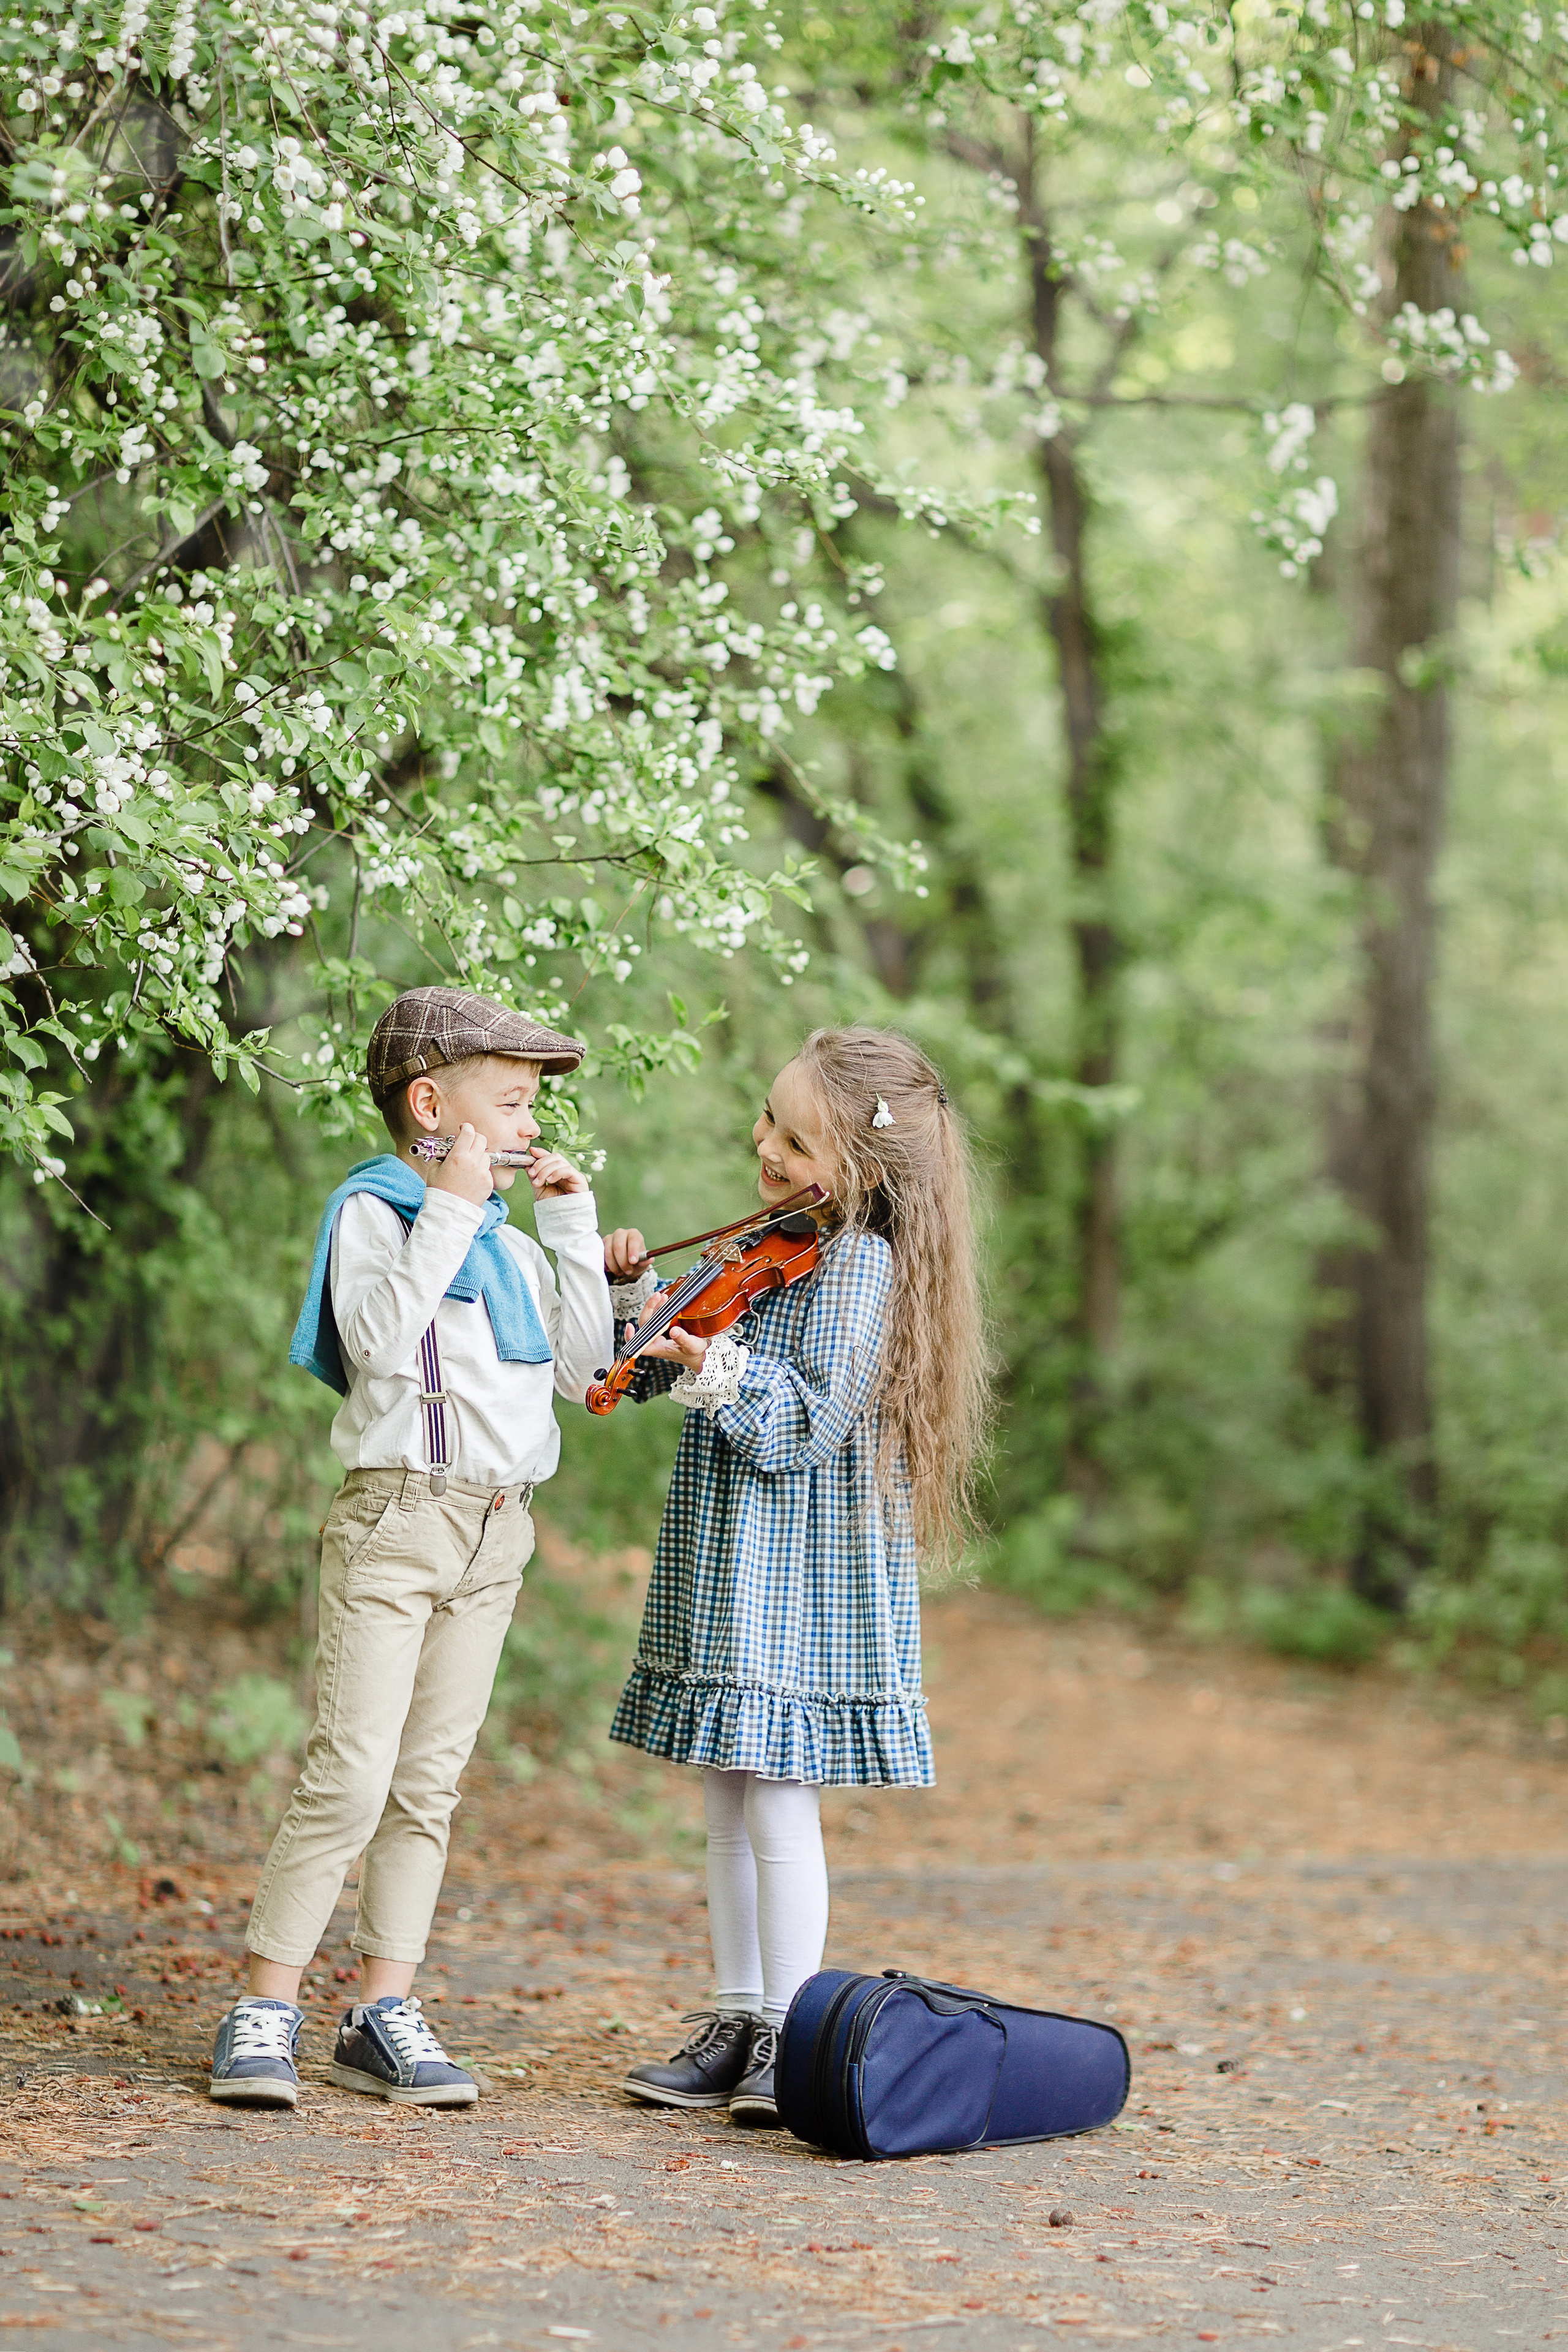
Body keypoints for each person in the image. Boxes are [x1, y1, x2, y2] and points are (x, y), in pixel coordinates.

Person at [208, 987, 613, 2111]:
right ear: (431, 1104)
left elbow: (586, 1377)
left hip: (496, 1531)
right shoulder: (380, 1215)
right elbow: (381, 1345)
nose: (531, 1127)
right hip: (396, 1520)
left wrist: (572, 1233)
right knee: (352, 1769)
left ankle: (383, 2009)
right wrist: (452, 1205)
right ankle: (265, 2007)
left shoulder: (510, 1246)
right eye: (512, 1103)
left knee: (429, 1783)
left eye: (534, 1108)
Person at [601, 1026, 990, 2123]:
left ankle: (789, 2024)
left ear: (862, 1169)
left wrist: (713, 1367)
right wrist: (636, 1300)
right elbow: (642, 1364)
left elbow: (808, 1427)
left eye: (793, 1137)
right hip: (737, 1556)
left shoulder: (859, 1264)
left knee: (777, 1801)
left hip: (799, 1571)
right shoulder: (769, 1241)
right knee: (726, 1796)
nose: (762, 1144)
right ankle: (736, 2016)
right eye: (767, 1119)